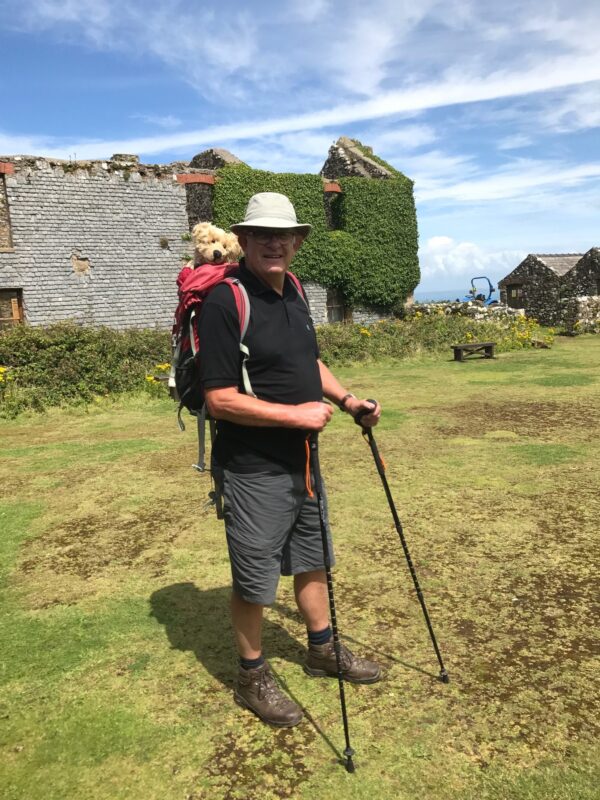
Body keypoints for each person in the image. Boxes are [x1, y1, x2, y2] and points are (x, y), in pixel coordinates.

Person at [197, 192, 382, 728]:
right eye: (262, 235)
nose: (274, 243)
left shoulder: (296, 290)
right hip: (252, 467)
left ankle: (322, 649)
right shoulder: (226, 302)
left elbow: (309, 363)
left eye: (284, 235)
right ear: (245, 241)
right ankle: (251, 676)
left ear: (297, 242)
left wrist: (346, 401)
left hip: (303, 461)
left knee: (313, 557)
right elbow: (220, 398)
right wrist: (294, 416)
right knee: (255, 578)